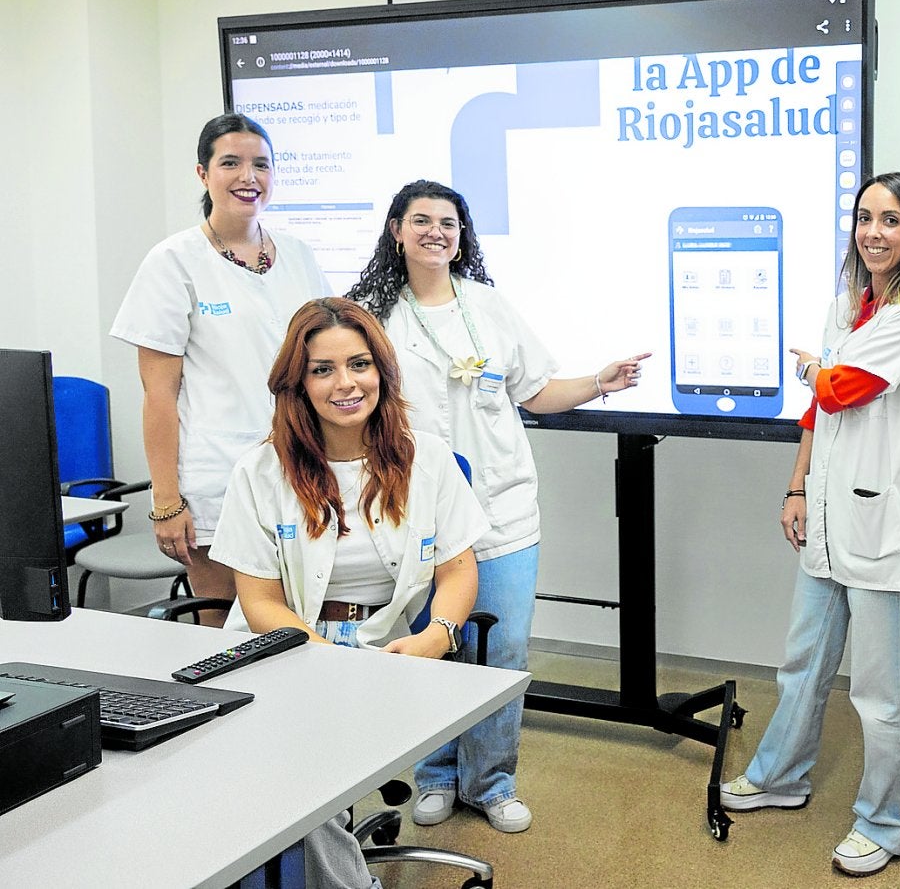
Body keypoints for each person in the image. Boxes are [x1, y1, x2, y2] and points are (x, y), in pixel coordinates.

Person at [346, 179, 648, 833]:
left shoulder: (489, 306)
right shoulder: (372, 317)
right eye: (421, 220)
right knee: (429, 647)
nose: (436, 232)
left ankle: (491, 783)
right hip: (414, 519)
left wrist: (602, 380)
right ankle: (434, 774)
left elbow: (536, 391)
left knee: (500, 651)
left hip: (502, 513)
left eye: (448, 222)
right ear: (396, 230)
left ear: (463, 235)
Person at [210, 297, 489, 889]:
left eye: (359, 364)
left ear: (382, 372)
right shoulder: (260, 472)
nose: (346, 384)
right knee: (307, 769)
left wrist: (437, 637)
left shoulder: (428, 461)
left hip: (387, 654)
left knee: (308, 776)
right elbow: (258, 599)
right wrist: (318, 655)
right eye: (323, 369)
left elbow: (458, 570)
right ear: (298, 382)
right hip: (282, 649)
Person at [718, 172, 900, 877]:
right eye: (863, 217)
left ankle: (884, 821)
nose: (873, 232)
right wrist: (796, 485)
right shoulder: (848, 303)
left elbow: (843, 387)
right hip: (825, 512)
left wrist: (819, 367)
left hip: (883, 526)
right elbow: (819, 410)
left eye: (890, 220)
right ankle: (780, 777)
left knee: (880, 692)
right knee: (803, 663)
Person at [110, 113, 330, 625]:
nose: (247, 177)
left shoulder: (298, 256)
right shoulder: (174, 262)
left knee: (303, 629)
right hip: (217, 481)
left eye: (261, 164)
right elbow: (158, 395)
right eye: (230, 163)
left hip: (304, 471)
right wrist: (166, 501)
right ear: (203, 174)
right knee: (226, 636)